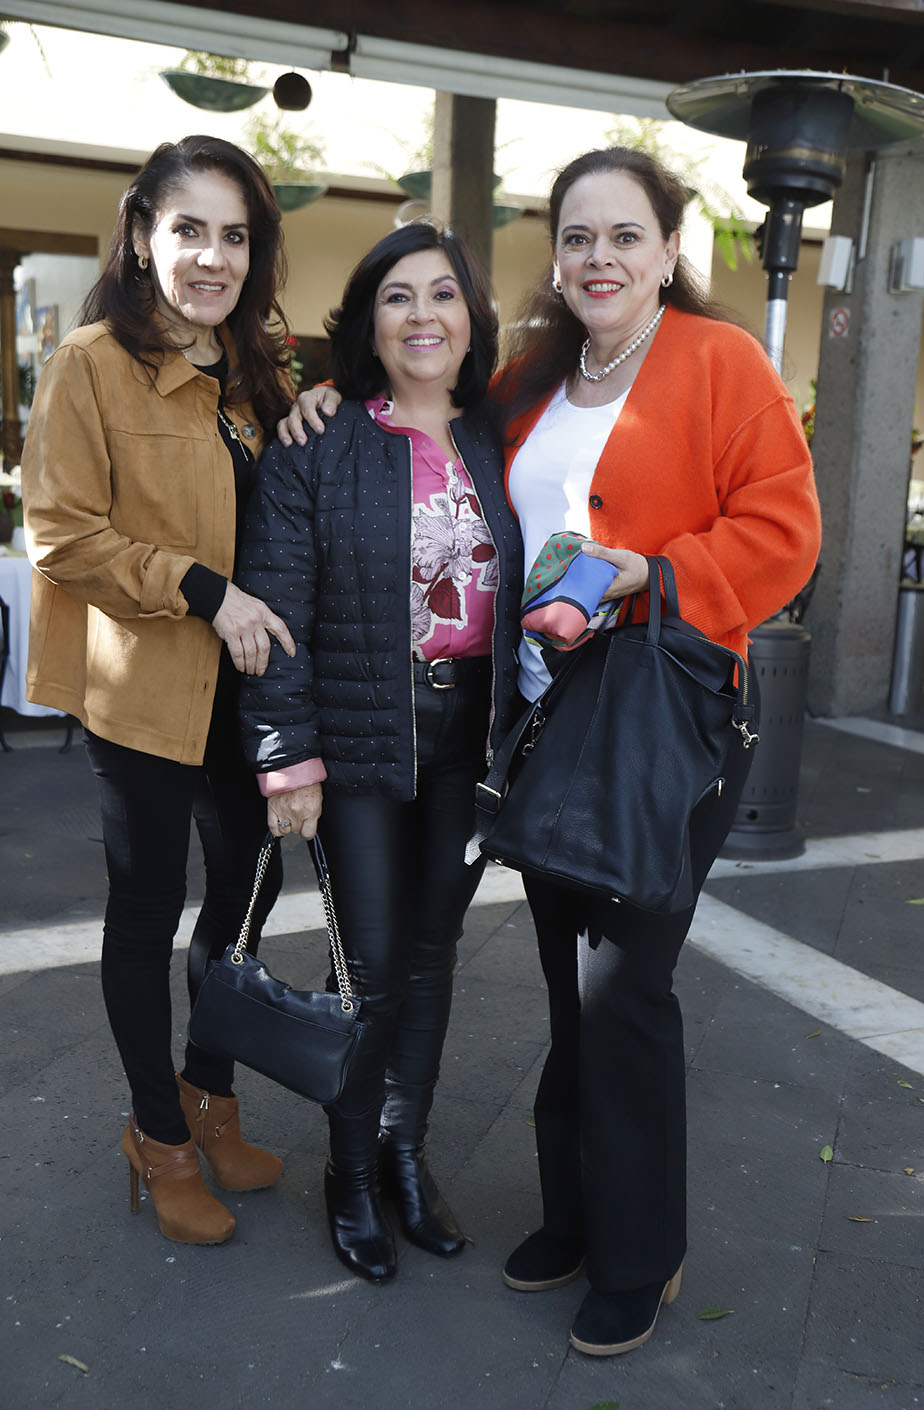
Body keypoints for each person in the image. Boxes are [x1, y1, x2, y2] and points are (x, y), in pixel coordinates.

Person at [286, 148, 821, 1352]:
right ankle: (575, 1213)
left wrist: (657, 573)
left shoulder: (716, 361)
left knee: (623, 988)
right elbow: (422, 415)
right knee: (565, 989)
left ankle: (642, 1253)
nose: (599, 258)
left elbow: (784, 532)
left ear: (668, 251)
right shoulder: (530, 377)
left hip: (661, 716)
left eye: (624, 236)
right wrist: (320, 392)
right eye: (577, 237)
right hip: (540, 727)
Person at [22, 135, 296, 1246]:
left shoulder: (257, 371)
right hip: (140, 682)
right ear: (143, 233)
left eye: (234, 236)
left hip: (250, 690)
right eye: (191, 230)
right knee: (145, 911)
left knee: (243, 898)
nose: (212, 256)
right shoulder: (89, 361)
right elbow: (60, 535)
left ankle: (207, 1090)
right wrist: (200, 589)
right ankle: (158, 1135)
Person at [237, 221, 523, 1284]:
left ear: (468, 318)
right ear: (367, 323)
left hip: (467, 736)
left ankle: (407, 1154)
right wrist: (284, 755)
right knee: (366, 966)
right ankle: (349, 1172)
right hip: (360, 734)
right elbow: (275, 604)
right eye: (397, 298)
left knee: (432, 958)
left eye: (441, 295)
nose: (421, 316)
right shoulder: (319, 440)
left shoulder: (498, 435)